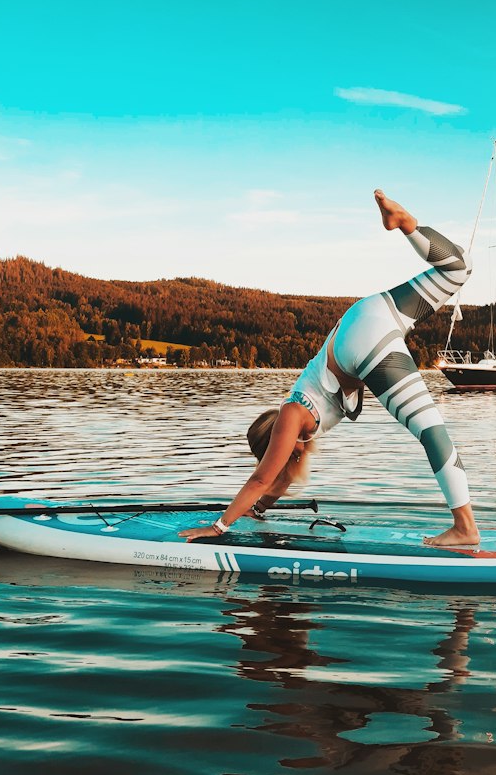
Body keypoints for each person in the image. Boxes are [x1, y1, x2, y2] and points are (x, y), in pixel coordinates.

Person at [181, 189, 480, 548]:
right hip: (367, 315)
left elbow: (262, 480)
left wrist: (217, 528)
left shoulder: (292, 415)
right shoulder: (299, 431)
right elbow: (273, 484)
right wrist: (255, 510)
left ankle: (464, 527)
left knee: (431, 430)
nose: (285, 462)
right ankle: (406, 224)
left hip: (363, 339)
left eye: (276, 456)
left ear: (275, 443)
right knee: (458, 267)